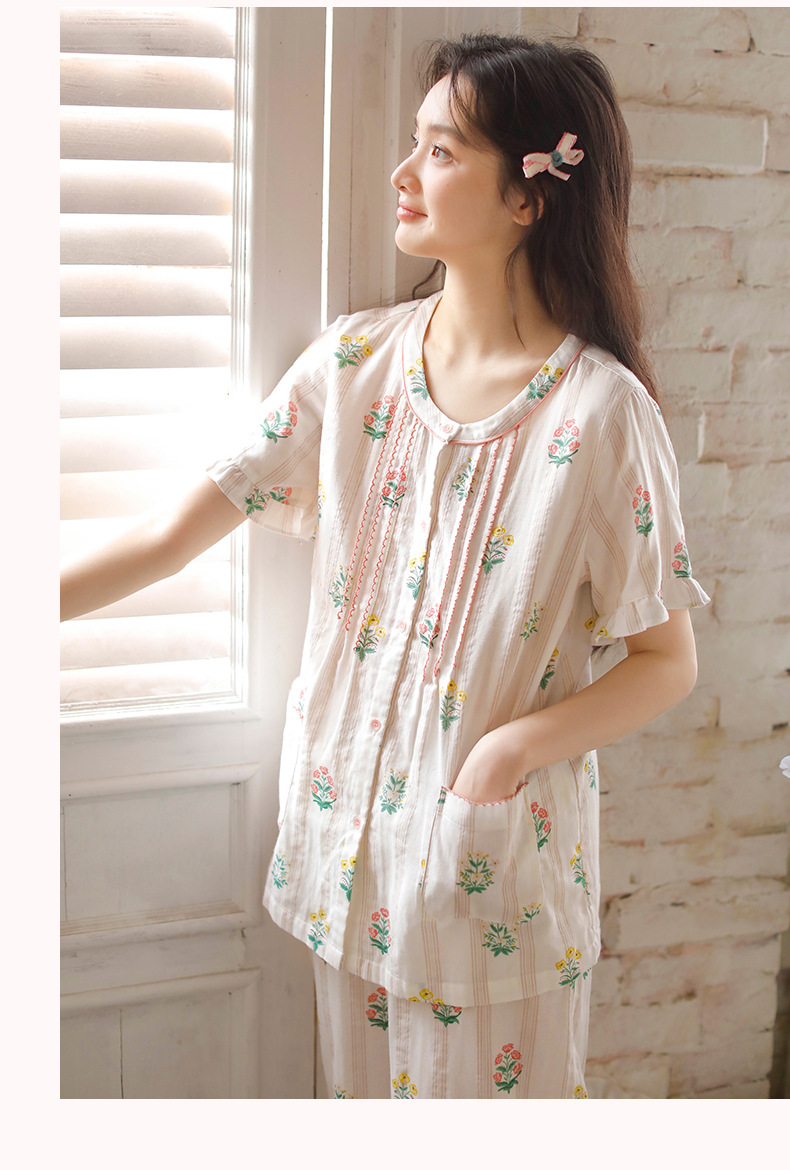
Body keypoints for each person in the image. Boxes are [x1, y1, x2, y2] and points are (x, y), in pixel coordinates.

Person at [61, 34, 710, 1099]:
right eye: (414, 142)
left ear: (529, 196)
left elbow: (665, 661)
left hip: (489, 880)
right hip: (346, 863)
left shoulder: (600, 414)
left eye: (441, 151)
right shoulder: (355, 363)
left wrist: (505, 753)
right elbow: (175, 533)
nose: (403, 172)